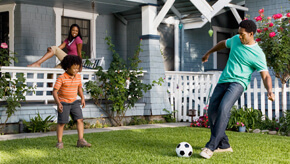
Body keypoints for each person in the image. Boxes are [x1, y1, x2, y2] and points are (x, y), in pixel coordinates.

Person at [199, 20, 275, 159]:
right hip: (223, 80)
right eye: (239, 34)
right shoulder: (235, 40)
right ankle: (224, 145)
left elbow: (266, 76)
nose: (239, 36)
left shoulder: (258, 54)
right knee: (212, 112)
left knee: (223, 109)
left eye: (242, 34)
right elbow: (223, 43)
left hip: (238, 83)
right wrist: (208, 53)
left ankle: (211, 147)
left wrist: (269, 90)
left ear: (251, 34)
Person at [52, 55, 91, 149]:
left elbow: (79, 88)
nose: (76, 70)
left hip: (74, 102)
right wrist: (58, 103)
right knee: (62, 122)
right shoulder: (61, 78)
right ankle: (59, 142)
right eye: (74, 68)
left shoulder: (78, 77)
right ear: (67, 67)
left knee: (80, 120)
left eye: (78, 68)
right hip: (63, 102)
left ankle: (81, 140)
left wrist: (82, 98)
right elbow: (54, 91)